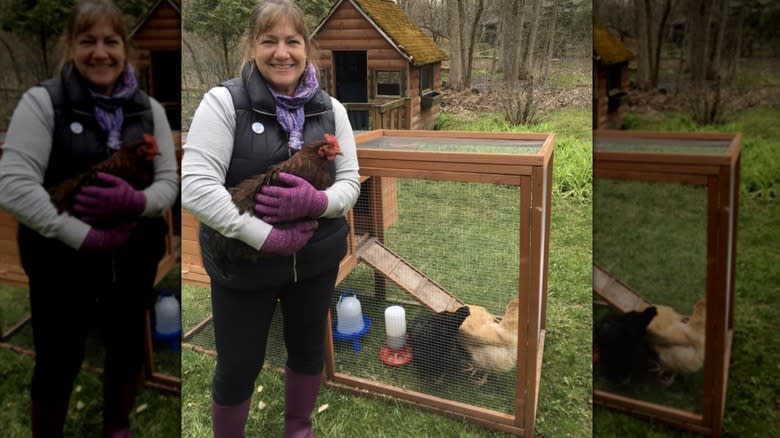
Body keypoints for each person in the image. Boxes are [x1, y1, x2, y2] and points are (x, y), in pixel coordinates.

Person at [181, 0, 360, 436]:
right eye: (269, 41)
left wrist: (319, 204)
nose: (282, 52)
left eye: (292, 41)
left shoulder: (331, 109)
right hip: (243, 263)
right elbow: (196, 187)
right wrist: (263, 236)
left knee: (307, 350)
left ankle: (298, 428)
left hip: (314, 262)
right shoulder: (224, 103)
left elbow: (350, 184)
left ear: (307, 48)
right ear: (252, 47)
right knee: (239, 363)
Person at [0, 0, 179, 436]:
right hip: (58, 259)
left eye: (111, 41)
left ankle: (116, 426)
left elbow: (169, 184)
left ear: (126, 48)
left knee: (126, 346)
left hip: (133, 256)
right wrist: (80, 235)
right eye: (88, 41)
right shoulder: (43, 103)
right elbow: (14, 186)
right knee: (58, 354)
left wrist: (138, 203)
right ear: (70, 47)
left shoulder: (149, 109)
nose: (101, 52)